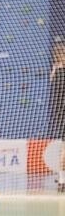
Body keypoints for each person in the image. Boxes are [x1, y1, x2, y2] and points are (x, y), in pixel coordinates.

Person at [49, 43, 65, 192]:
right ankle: (61, 180)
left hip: (59, 115)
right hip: (62, 115)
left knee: (63, 149)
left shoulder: (54, 72)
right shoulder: (60, 72)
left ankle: (61, 179)